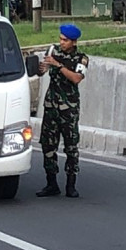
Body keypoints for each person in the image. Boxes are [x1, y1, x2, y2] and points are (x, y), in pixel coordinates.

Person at [36, 24, 88, 198]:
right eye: (60, 39)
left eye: (65, 40)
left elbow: (76, 78)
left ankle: (71, 184)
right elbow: (41, 71)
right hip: (51, 107)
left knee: (71, 146)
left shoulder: (81, 59)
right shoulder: (53, 51)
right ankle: (51, 183)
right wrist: (42, 66)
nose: (61, 42)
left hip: (69, 110)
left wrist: (58, 65)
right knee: (48, 145)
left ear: (73, 42)